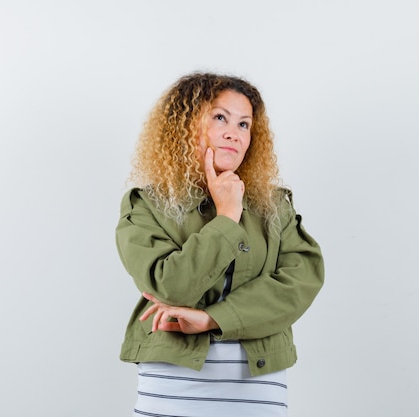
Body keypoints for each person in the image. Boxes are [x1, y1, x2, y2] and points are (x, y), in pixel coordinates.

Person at [115, 72, 325, 417]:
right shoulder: (147, 204)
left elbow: (299, 285)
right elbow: (171, 285)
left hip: (258, 387)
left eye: (244, 124)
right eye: (219, 118)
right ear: (183, 126)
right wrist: (227, 215)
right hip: (172, 384)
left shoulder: (275, 207)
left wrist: (212, 318)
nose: (234, 133)